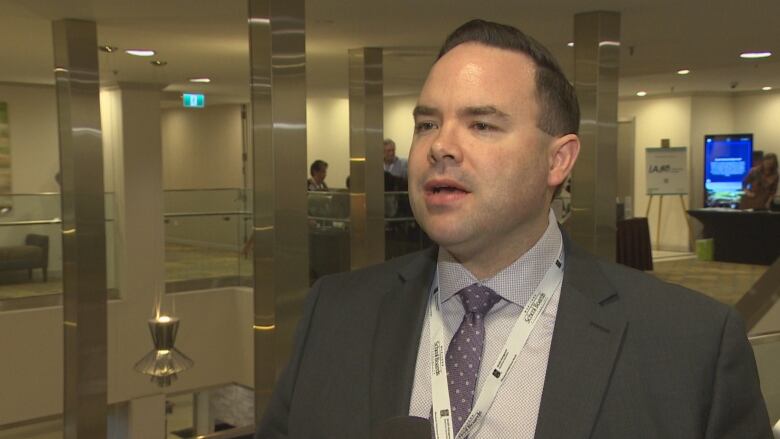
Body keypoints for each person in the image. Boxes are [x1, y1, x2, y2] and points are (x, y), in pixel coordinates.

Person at [258, 20, 770, 439]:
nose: (440, 146)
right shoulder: (335, 312)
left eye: (482, 124)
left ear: (558, 160)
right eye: (427, 124)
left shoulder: (690, 345)